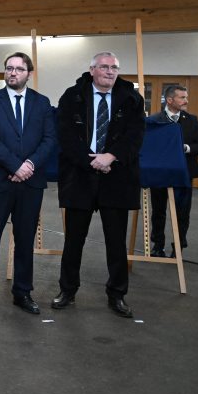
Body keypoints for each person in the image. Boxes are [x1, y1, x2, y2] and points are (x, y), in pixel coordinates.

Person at [53, 52, 145, 318]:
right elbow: (65, 135)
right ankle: (67, 290)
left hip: (116, 177)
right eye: (104, 66)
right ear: (92, 69)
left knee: (116, 243)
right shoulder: (72, 96)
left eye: (114, 67)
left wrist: (110, 156)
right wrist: (90, 160)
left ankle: (117, 294)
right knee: (74, 240)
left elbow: (135, 136)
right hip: (80, 176)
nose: (109, 71)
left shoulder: (132, 98)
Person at [0, 52, 56, 316]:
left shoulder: (42, 103)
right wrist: (15, 166)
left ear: (29, 74)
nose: (13, 73)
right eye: (9, 68)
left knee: (25, 238)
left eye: (19, 69)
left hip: (30, 183)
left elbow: (49, 139)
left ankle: (22, 292)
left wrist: (28, 165)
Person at [149, 85, 198, 257]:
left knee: (182, 213)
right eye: (182, 97)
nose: (186, 101)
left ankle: (178, 248)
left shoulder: (192, 120)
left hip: (183, 174)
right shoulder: (154, 120)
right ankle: (158, 246)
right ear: (169, 100)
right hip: (159, 174)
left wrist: (186, 148)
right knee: (158, 211)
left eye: (186, 97)